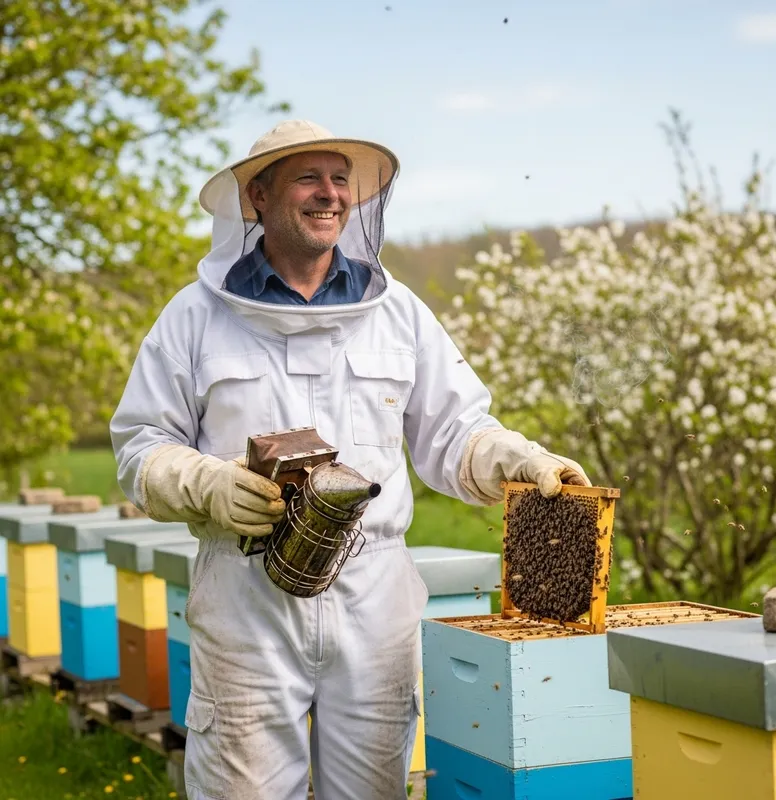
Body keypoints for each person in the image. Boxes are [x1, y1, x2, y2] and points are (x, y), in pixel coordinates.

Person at [110, 119, 591, 800]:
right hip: (248, 596)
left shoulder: (398, 313)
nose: (330, 194)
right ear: (257, 196)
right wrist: (207, 484)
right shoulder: (193, 318)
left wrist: (518, 457)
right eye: (308, 178)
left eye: (341, 180)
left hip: (374, 596)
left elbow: (457, 432)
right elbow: (140, 446)